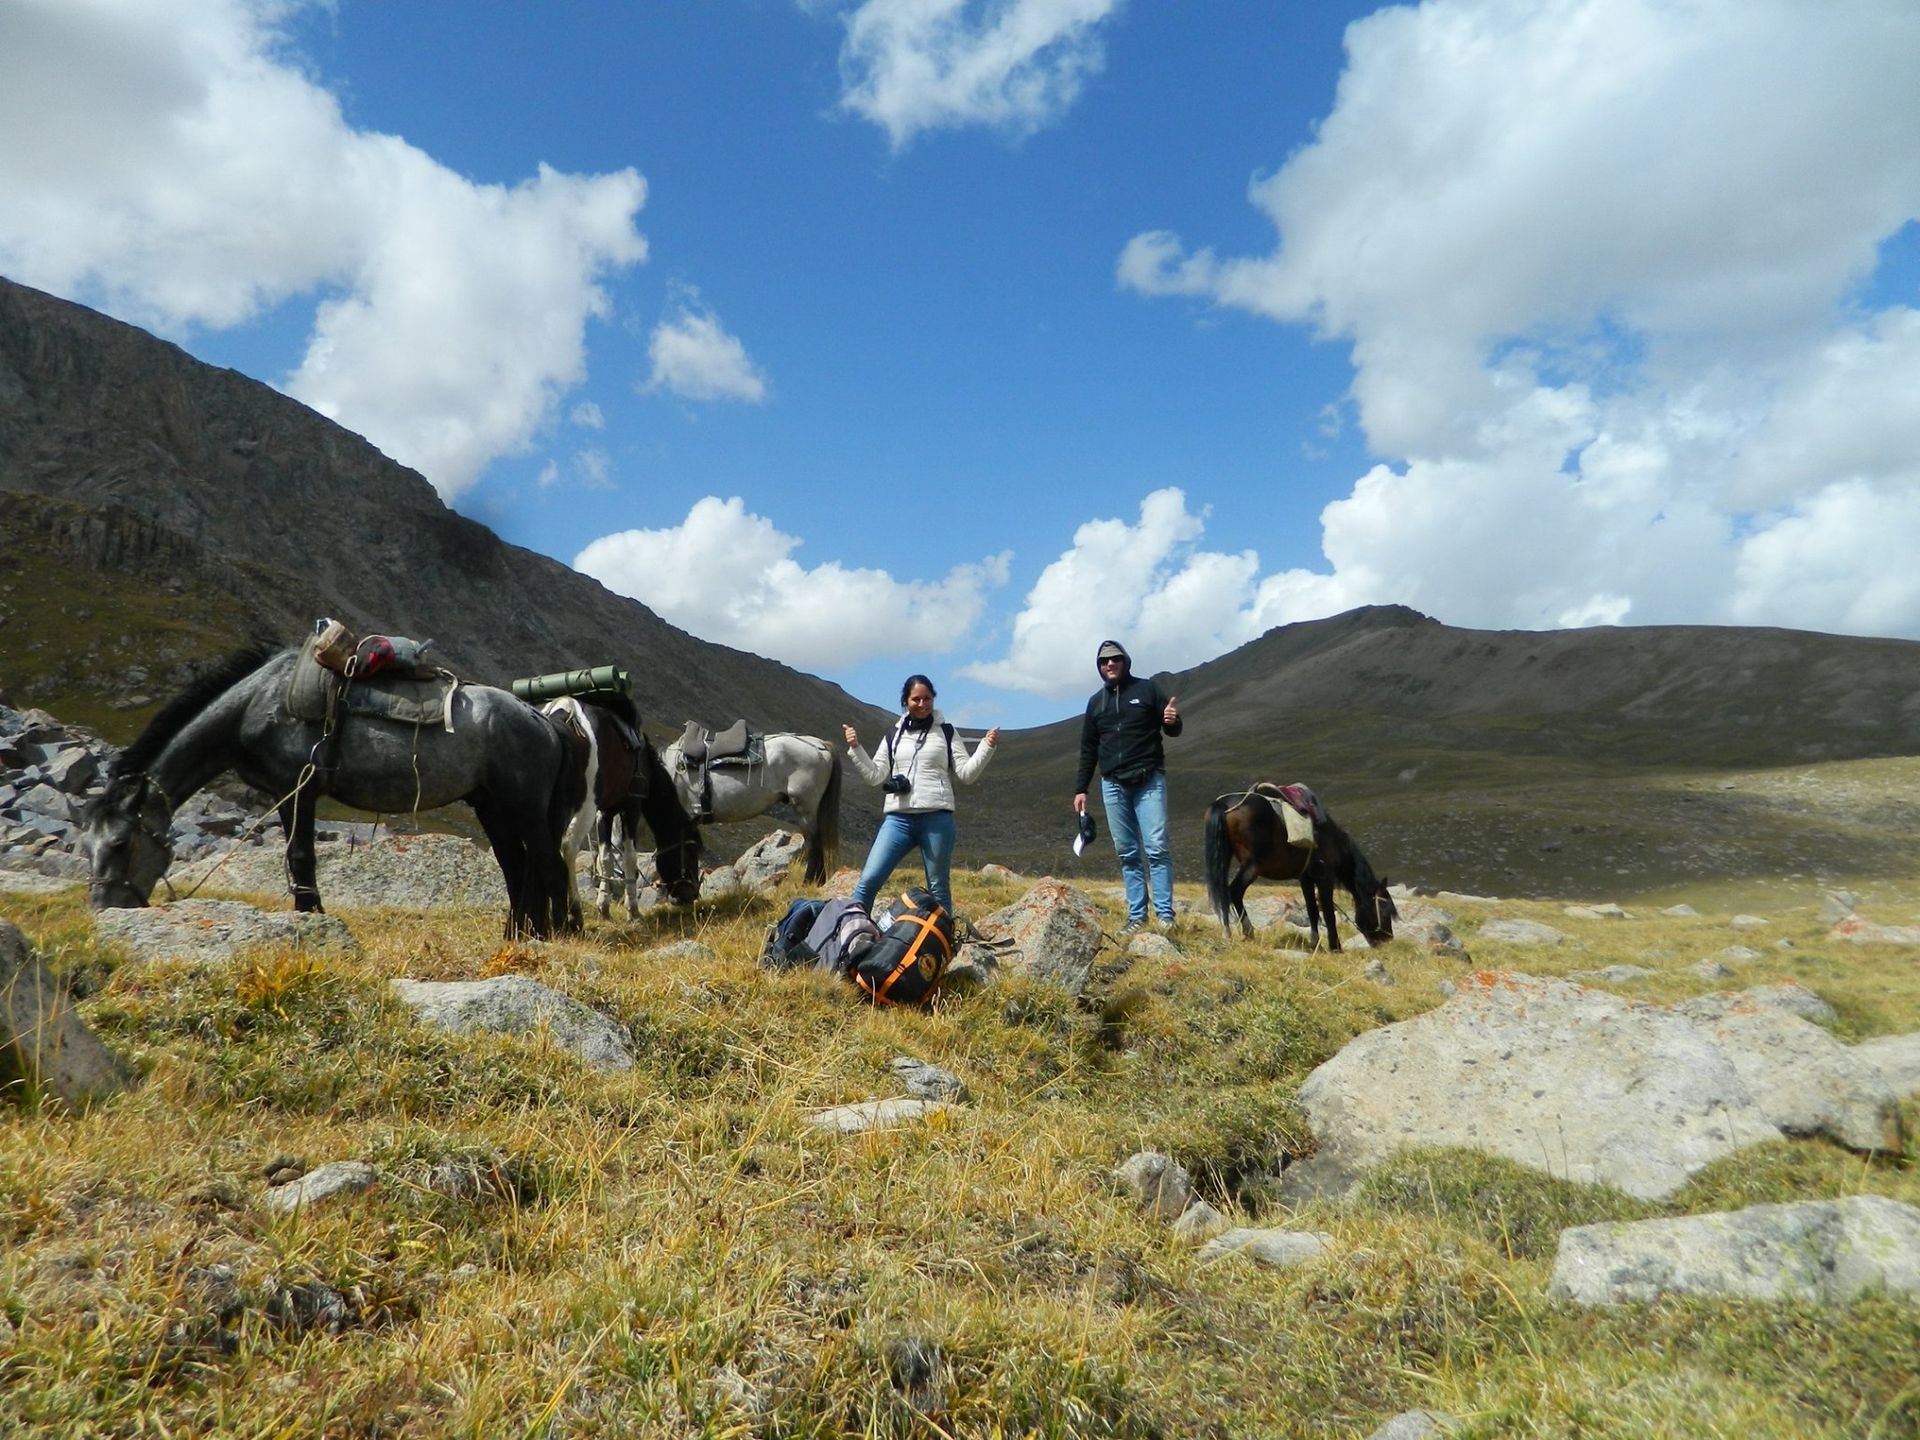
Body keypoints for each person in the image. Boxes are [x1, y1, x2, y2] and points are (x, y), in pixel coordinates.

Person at [844, 674, 999, 919]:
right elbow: (875, 776)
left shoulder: (946, 732)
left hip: (937, 819)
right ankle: (849, 931)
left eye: (927, 698)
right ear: (905, 702)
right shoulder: (893, 735)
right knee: (869, 879)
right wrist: (856, 748)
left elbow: (966, 774)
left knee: (938, 888)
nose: (922, 704)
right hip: (898, 819)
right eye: (916, 699)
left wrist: (986, 747)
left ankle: (944, 945)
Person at [1073, 640, 1182, 934]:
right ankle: (1137, 917)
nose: (1110, 664)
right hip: (1113, 785)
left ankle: (1165, 916)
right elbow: (1088, 749)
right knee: (1127, 852)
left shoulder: (1147, 690)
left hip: (1149, 780)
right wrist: (1081, 788)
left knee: (1157, 848)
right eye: (1104, 661)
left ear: (1125, 661)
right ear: (1099, 667)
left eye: (1116, 659)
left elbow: (1171, 727)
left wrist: (1172, 721)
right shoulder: (1096, 703)